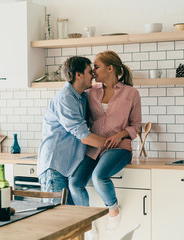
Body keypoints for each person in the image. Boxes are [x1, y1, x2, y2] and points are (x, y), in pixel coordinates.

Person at [69, 51, 142, 233]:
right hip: (93, 148)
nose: (93, 71)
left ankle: (113, 210)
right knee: (74, 182)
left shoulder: (131, 93)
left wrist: (121, 134)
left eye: (96, 66)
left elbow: (137, 125)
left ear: (110, 68)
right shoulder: (90, 92)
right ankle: (88, 223)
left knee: (99, 177)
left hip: (119, 148)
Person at [37, 56, 106, 205]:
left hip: (67, 166)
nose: (93, 75)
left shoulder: (81, 97)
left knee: (69, 221)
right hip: (54, 166)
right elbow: (84, 136)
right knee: (55, 220)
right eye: (89, 71)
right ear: (78, 75)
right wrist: (114, 144)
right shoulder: (65, 98)